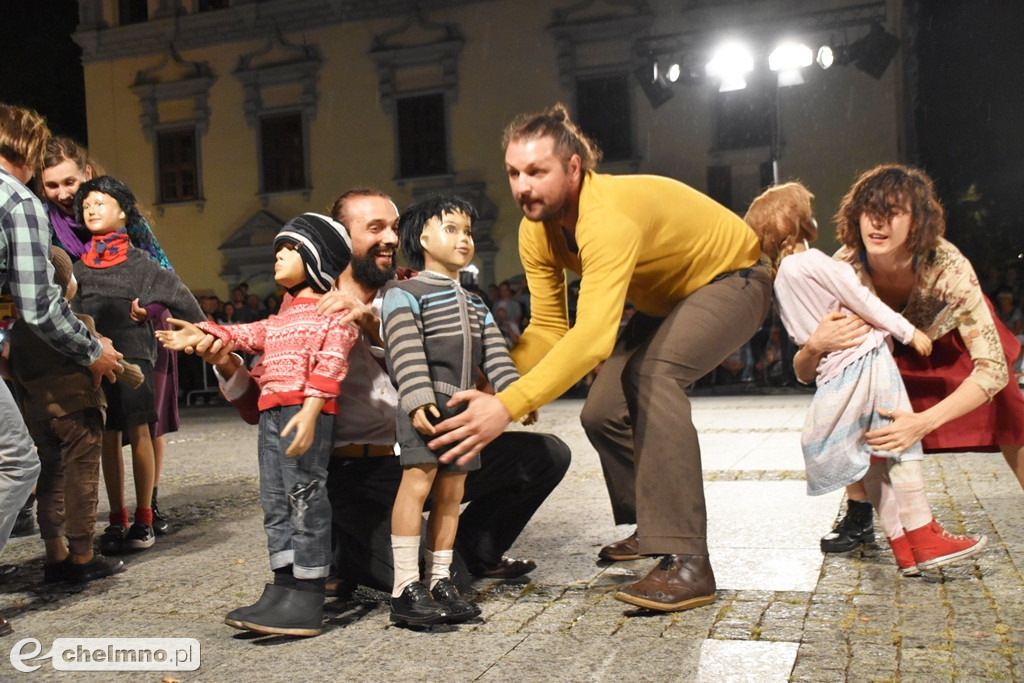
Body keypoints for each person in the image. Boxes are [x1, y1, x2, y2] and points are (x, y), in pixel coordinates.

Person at [425, 103, 772, 613]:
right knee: (603, 410)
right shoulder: (535, 229)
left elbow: (591, 339)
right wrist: (497, 384)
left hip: (735, 279)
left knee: (654, 377)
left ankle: (687, 559)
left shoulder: (605, 217)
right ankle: (652, 525)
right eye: (514, 173)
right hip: (666, 300)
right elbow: (547, 327)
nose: (523, 187)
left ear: (573, 168)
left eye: (537, 172)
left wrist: (506, 407)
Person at [187, 188, 570, 598]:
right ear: (339, 238)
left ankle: (475, 551)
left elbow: (454, 371)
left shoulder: (415, 290)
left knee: (545, 455)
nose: (390, 238)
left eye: (394, 226)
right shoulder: (305, 306)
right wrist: (226, 362)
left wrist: (375, 326)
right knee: (432, 582)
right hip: (356, 475)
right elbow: (260, 410)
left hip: (427, 447)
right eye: (375, 228)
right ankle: (344, 551)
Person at [748, 182, 985, 574]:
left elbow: (801, 339)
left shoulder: (780, 279)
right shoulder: (814, 263)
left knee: (873, 459)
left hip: (833, 375)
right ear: (798, 221)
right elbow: (863, 301)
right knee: (900, 444)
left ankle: (903, 546)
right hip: (868, 360)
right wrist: (909, 332)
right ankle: (924, 537)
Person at [794, 165, 1024, 551]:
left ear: (917, 222)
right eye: (870, 210)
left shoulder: (947, 265)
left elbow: (993, 369)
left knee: (1010, 407)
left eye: (894, 211)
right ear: (856, 216)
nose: (878, 222)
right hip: (885, 347)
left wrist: (923, 422)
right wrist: (815, 345)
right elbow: (804, 374)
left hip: (947, 336)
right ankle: (859, 513)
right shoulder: (842, 270)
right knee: (849, 391)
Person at [158, 213, 358, 637]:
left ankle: (308, 591)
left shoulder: (332, 312)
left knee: (304, 496)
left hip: (303, 414)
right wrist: (199, 333)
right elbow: (245, 333)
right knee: (274, 499)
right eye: (278, 249)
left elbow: (334, 361)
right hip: (272, 414)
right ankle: (284, 583)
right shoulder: (282, 316)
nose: (279, 255)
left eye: (290, 249)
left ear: (315, 256)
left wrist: (311, 409)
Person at [0, 102, 123, 635]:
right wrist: (93, 349)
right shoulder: (16, 201)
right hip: (67, 390)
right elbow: (39, 305)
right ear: (27, 149)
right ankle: (79, 551)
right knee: (17, 463)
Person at [382, 195, 527, 626]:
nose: (464, 239)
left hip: (464, 411)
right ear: (423, 237)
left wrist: (516, 395)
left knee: (452, 495)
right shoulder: (403, 294)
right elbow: (404, 350)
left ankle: (441, 577)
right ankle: (406, 584)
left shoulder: (476, 303)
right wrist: (416, 397)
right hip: (425, 406)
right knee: (417, 484)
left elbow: (497, 355)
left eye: (467, 232)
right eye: (451, 229)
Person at [40, 137, 180, 536]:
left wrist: (149, 304)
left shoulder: (119, 209)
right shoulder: (47, 223)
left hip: (140, 327)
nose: (64, 194)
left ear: (86, 172)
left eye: (69, 182)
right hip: (89, 331)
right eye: (52, 186)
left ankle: (147, 507)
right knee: (107, 421)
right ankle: (119, 512)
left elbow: (163, 269)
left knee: (144, 420)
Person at [71, 176, 204, 554]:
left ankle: (144, 516)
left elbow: (184, 301)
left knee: (140, 430)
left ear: (123, 211)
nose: (92, 210)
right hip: (95, 363)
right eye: (87, 205)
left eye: (101, 202)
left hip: (135, 359)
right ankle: (117, 518)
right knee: (108, 438)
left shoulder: (141, 263)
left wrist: (201, 331)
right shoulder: (79, 268)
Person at [5, 247, 140, 584]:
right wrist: (133, 373)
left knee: (50, 477)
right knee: (82, 479)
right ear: (65, 286)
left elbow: (13, 370)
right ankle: (82, 554)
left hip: (38, 414)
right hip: (79, 412)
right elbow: (113, 365)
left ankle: (55, 553)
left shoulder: (20, 331)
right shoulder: (78, 324)